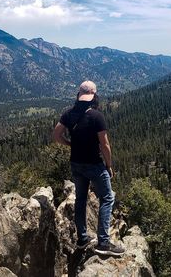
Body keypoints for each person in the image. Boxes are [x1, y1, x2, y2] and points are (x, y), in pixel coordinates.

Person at [52, 80, 125, 257]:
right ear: (93, 96)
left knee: (81, 200)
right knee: (107, 198)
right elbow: (105, 145)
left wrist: (70, 144)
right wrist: (109, 165)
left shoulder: (68, 114)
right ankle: (103, 242)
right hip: (94, 164)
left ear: (79, 95)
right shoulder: (96, 116)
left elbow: (56, 135)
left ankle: (82, 238)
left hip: (76, 164)